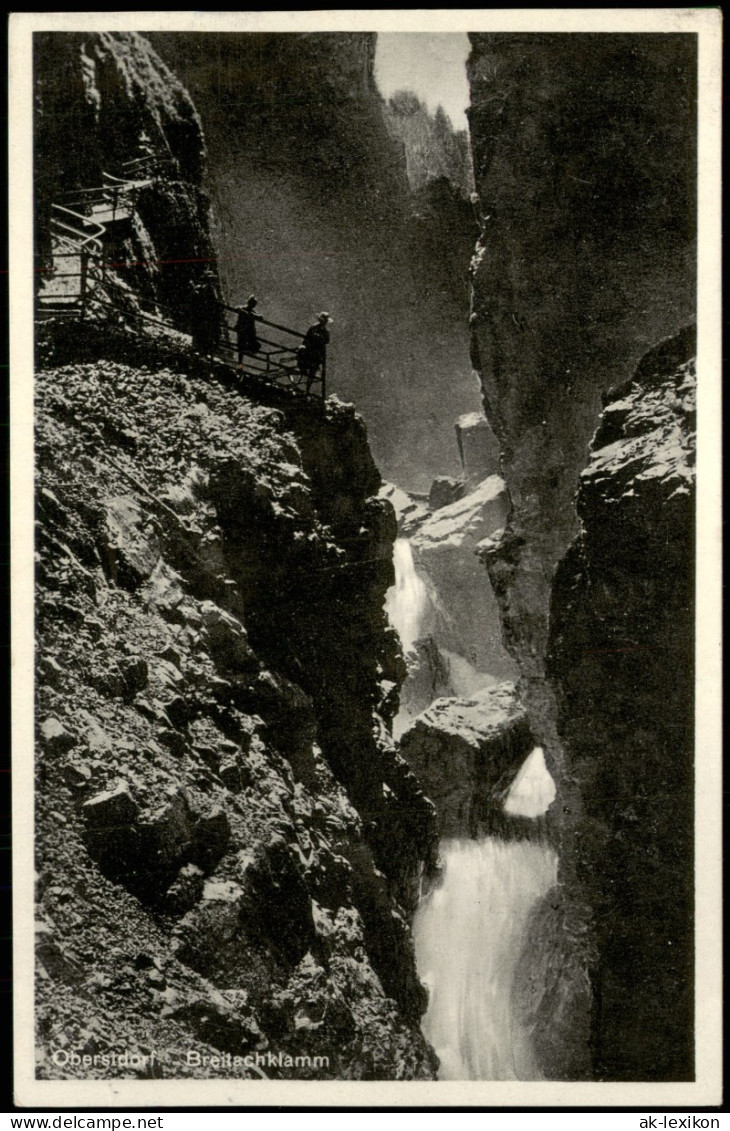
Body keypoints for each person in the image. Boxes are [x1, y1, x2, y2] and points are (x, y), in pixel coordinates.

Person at [297, 312, 332, 394]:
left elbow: (326, 341)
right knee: (308, 369)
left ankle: (307, 390)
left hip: (316, 353)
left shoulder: (325, 331)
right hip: (310, 351)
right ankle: (305, 387)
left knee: (312, 372)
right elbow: (307, 338)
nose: (324, 322)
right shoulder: (314, 327)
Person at [190, 268, 220, 359]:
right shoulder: (207, 289)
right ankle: (205, 356)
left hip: (202, 316)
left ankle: (202, 354)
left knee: (202, 336)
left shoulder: (199, 289)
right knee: (207, 336)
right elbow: (214, 303)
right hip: (206, 317)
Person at [236, 294, 261, 369]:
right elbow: (236, 308)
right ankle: (239, 368)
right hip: (243, 332)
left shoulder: (251, 311)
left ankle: (239, 368)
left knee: (242, 351)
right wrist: (246, 313)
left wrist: (251, 314)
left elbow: (261, 317)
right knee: (241, 354)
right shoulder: (243, 309)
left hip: (248, 333)